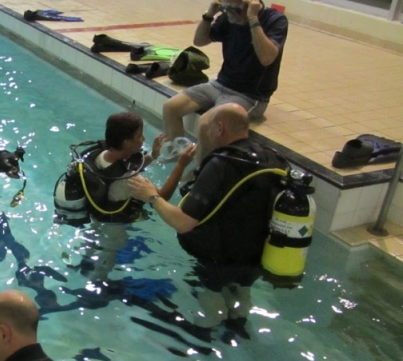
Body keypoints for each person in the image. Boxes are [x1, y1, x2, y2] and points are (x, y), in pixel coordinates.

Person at [129, 103, 286, 329]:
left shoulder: (221, 165)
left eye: (208, 128)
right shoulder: (272, 158)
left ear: (220, 128)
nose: (207, 134)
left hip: (220, 257)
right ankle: (238, 326)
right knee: (243, 290)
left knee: (212, 294)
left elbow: (183, 223)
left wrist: (151, 197)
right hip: (258, 254)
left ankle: (204, 332)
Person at [57, 111, 195, 281]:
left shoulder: (101, 155)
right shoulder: (129, 180)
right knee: (109, 254)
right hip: (115, 228)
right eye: (139, 136)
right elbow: (161, 198)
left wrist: (153, 155)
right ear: (126, 142)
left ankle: (84, 264)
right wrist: (181, 165)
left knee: (93, 242)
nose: (143, 139)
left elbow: (128, 167)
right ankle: (98, 280)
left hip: (98, 214)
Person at [162, 0, 288, 142]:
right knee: (170, 108)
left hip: (250, 96)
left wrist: (253, 19)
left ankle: (202, 158)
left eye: (233, 10)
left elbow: (266, 58)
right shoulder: (228, 18)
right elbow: (199, 41)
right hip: (220, 84)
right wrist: (209, 15)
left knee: (206, 124)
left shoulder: (274, 20)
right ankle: (176, 152)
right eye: (225, 8)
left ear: (249, 5)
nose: (228, 14)